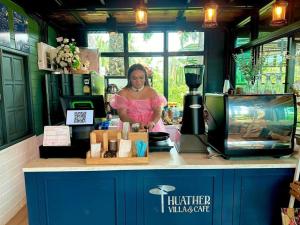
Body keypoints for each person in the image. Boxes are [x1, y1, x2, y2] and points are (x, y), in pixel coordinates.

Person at [110, 63, 167, 132]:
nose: (138, 81)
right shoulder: (122, 93)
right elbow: (122, 115)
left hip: (151, 127)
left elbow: (157, 111)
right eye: (134, 78)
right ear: (129, 79)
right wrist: (136, 124)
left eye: (141, 78)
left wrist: (153, 122)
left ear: (145, 78)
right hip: (130, 127)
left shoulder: (152, 92)